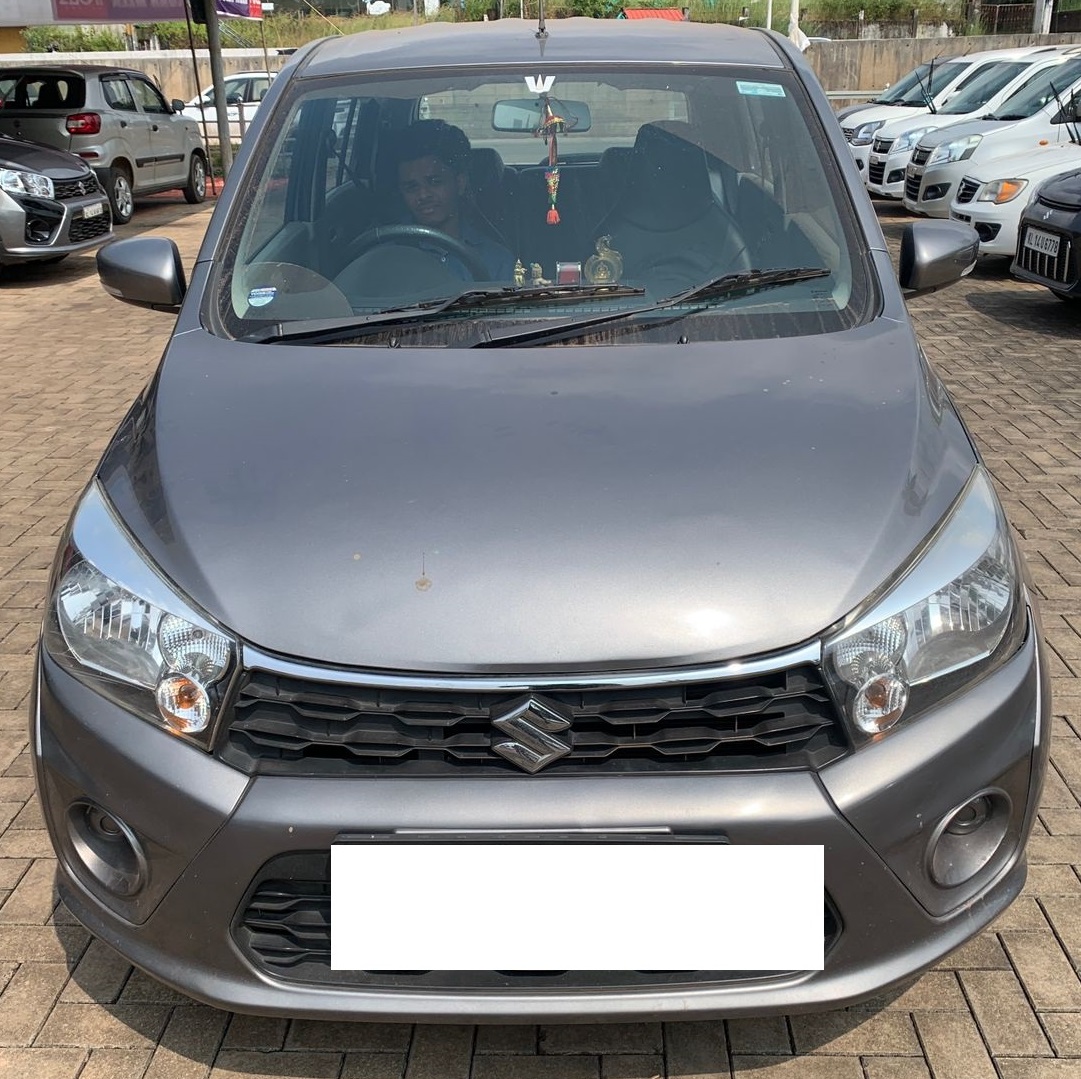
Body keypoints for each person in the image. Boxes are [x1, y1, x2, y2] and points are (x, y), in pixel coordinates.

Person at [394, 120, 515, 282]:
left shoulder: (496, 260)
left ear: (460, 183)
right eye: (411, 187)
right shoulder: (385, 256)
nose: (423, 195)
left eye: (435, 182)